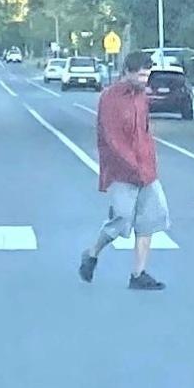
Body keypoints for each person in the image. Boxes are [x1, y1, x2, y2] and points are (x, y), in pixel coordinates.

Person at [78, 51, 170, 290]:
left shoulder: (142, 97)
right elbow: (112, 138)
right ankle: (92, 253)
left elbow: (145, 131)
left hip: (147, 170)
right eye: (140, 75)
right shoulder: (110, 98)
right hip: (122, 171)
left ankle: (138, 274)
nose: (144, 79)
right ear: (127, 72)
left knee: (149, 220)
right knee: (121, 221)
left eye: (147, 74)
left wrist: (150, 161)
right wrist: (133, 166)